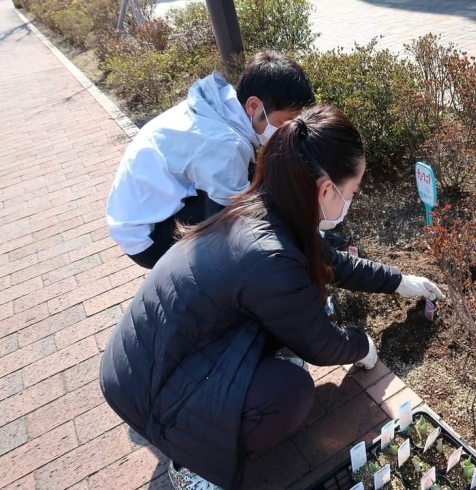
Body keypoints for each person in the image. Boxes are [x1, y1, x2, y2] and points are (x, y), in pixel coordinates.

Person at [99, 104, 445, 490]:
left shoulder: (269, 207)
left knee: (306, 309)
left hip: (157, 355)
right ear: (327, 189)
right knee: (290, 394)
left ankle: (203, 419)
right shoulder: (272, 255)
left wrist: (400, 281)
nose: (352, 201)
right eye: (353, 191)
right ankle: (191, 465)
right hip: (148, 391)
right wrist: (363, 346)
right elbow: (321, 345)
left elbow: (332, 264)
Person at [105, 50, 315, 269]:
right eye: (285, 121)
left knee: (252, 183)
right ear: (254, 105)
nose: (287, 130)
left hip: (134, 215)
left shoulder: (218, 104)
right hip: (148, 239)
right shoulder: (226, 144)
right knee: (241, 219)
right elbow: (232, 217)